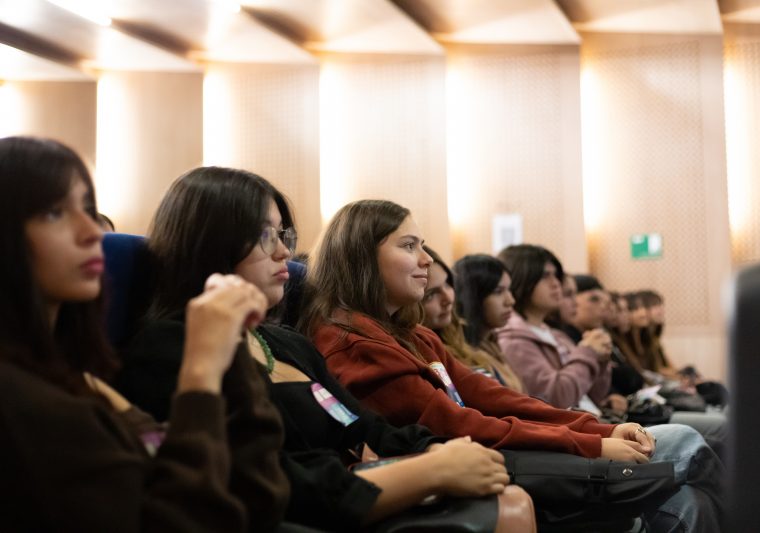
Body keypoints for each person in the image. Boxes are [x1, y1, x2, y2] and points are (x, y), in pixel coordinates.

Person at [117, 167, 514, 532]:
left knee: (506, 494)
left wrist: (439, 449)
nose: (284, 252)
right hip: (308, 513)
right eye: (265, 236)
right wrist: (433, 470)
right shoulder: (170, 348)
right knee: (507, 508)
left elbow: (367, 427)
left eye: (283, 236)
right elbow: (270, 484)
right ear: (211, 244)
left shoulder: (285, 341)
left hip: (347, 492)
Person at [305, 199, 724, 532]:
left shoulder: (414, 335)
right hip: (479, 473)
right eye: (409, 245)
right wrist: (591, 442)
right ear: (361, 258)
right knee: (687, 441)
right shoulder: (353, 346)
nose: (427, 259)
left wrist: (600, 430)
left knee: (690, 496)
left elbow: (500, 399)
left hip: (517, 456)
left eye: (423, 245)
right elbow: (459, 425)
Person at [0, 136, 289, 532]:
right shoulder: (17, 398)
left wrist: (232, 346)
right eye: (54, 213)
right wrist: (201, 371)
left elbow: (256, 500)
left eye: (88, 209)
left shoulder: (80, 381)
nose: (91, 231)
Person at [495, 245, 622, 415]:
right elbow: (556, 399)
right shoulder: (513, 339)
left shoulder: (556, 335)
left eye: (555, 275)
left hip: (592, 421)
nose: (556, 283)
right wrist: (588, 352)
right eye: (545, 276)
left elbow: (594, 395)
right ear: (521, 279)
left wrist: (600, 360)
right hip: (572, 428)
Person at [421, 247, 524, 392]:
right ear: (473, 297)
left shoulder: (482, 344)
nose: (448, 298)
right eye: (431, 294)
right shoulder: (440, 354)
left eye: (447, 284)